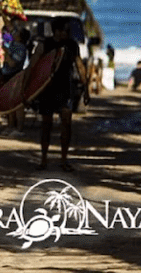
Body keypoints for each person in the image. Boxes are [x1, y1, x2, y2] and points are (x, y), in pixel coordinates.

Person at [35, 18, 89, 172]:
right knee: (46, 125)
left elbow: (79, 66)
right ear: (56, 31)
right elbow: (34, 66)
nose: (69, 33)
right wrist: (28, 89)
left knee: (66, 125)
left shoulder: (72, 45)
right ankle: (43, 159)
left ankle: (63, 160)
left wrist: (86, 89)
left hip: (65, 89)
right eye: (66, 30)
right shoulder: (45, 45)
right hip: (47, 90)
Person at [2, 28, 31, 135]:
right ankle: (10, 125)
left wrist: (6, 53)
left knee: (17, 104)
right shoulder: (13, 45)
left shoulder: (20, 48)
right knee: (10, 103)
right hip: (8, 75)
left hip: (14, 76)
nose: (14, 33)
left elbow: (12, 63)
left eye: (17, 32)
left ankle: (19, 128)